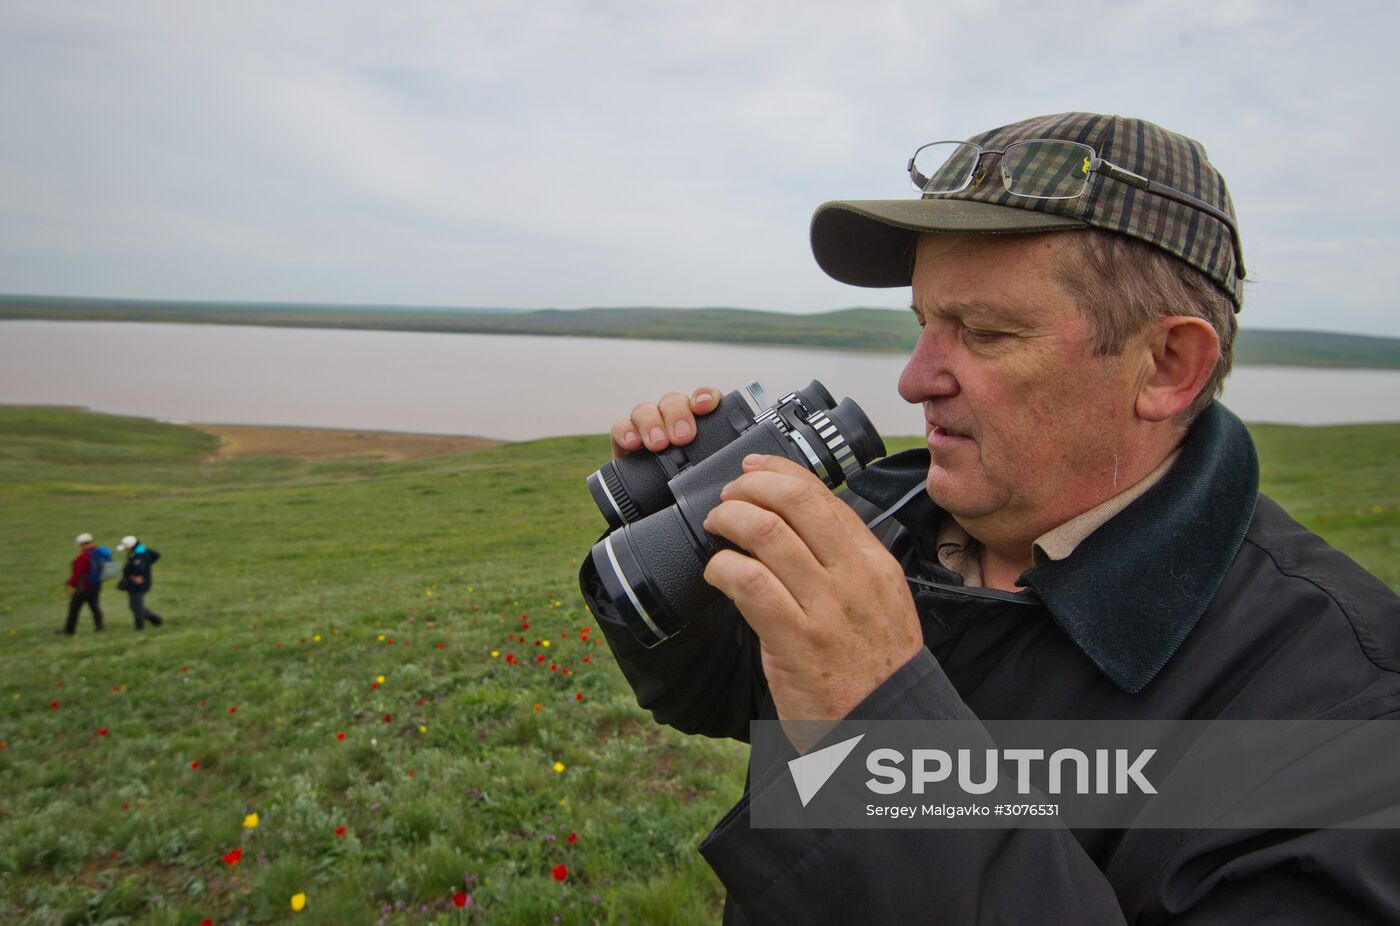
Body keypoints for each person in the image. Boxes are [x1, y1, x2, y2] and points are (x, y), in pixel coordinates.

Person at [583, 113, 1400, 923]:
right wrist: (668, 551)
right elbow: (722, 695)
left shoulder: (1346, 716)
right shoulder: (888, 513)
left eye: (983, 331)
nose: (912, 380)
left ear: (1166, 367)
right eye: (924, 324)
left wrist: (885, 736)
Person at [116, 535, 164, 631]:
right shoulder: (143, 549)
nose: (125, 550)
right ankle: (156, 620)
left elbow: (139, 568)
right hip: (142, 583)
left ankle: (140, 627)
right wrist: (148, 564)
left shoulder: (138, 556)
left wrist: (135, 576)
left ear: (131, 546)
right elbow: (156, 555)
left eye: (126, 548)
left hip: (137, 585)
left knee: (136, 606)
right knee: (135, 606)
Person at [63, 531, 105, 634]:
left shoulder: (83, 557)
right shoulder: (99, 553)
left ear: (81, 544)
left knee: (74, 609)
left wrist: (70, 587)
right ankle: (100, 627)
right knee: (95, 607)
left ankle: (69, 630)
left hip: (83, 587)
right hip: (96, 585)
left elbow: (76, 575)